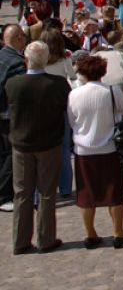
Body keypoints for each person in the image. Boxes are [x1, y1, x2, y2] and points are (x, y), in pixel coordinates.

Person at [67, 55, 123, 250]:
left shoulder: (74, 94)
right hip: (110, 147)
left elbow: (73, 121)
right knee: (114, 192)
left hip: (84, 149)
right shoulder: (113, 91)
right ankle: (118, 232)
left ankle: (90, 233)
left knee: (86, 194)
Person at [7, 40, 70, 254]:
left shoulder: (13, 84)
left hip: (22, 144)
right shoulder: (58, 84)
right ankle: (45, 238)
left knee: (22, 193)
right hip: (48, 143)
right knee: (46, 192)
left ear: (26, 60)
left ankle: (20, 240)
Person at [0, 24, 29, 210]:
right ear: (18, 38)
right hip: (8, 115)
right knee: (9, 155)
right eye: (23, 36)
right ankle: (4, 196)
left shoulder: (3, 55)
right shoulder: (17, 62)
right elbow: (20, 92)